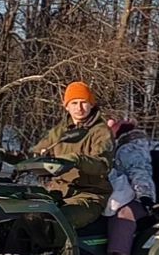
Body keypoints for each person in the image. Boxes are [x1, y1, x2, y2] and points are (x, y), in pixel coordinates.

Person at [31, 81, 113, 229]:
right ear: (66, 105)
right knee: (28, 214)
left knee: (57, 222)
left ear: (92, 104)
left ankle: (59, 251)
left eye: (83, 102)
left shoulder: (101, 132)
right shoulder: (59, 131)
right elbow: (37, 152)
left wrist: (77, 160)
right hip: (58, 191)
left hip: (88, 194)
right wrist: (8, 157)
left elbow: (102, 165)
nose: (79, 108)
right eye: (74, 103)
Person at [101, 116, 156, 255]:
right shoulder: (114, 149)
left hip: (137, 198)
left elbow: (140, 173)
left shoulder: (131, 150)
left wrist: (145, 195)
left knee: (124, 215)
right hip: (119, 193)